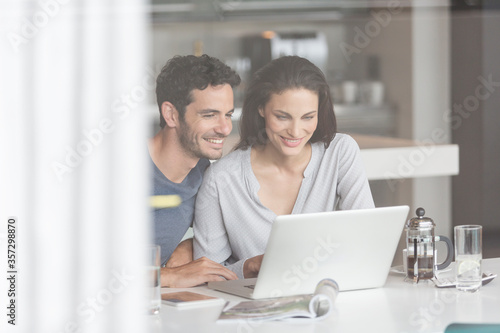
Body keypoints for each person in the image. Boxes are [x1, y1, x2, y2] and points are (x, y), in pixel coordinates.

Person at [193, 55, 375, 279]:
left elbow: (366, 242)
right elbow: (206, 276)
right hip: (252, 309)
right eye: (282, 117)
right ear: (261, 109)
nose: (296, 132)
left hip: (325, 300)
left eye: (308, 117)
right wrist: (247, 267)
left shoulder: (339, 152)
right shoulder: (221, 179)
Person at [149, 54, 241, 287]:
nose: (225, 128)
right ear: (171, 114)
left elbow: (223, 234)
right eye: (209, 115)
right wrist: (170, 276)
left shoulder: (201, 173)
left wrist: (187, 246)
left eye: (228, 114)